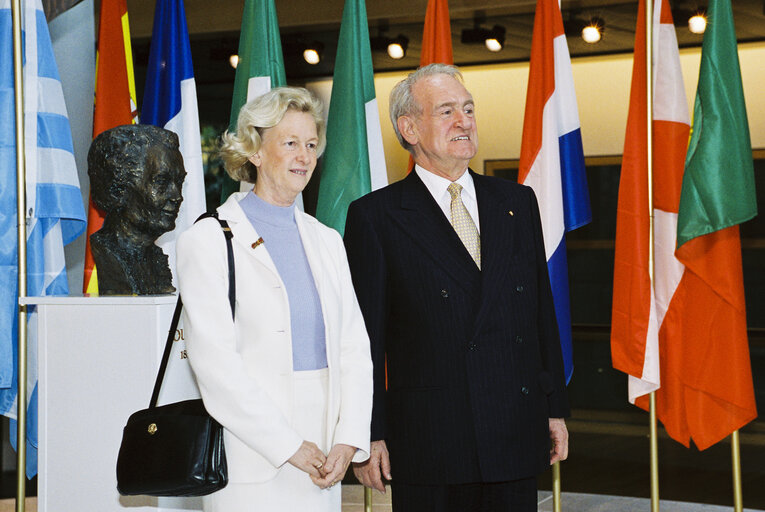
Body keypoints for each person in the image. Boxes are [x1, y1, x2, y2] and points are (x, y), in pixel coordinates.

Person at [344, 64, 570, 512]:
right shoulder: (377, 217)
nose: (464, 121)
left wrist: (554, 407)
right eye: (446, 111)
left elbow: (542, 312)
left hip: (514, 429)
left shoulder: (517, 202)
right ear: (408, 128)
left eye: (468, 109)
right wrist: (369, 433)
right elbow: (363, 340)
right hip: (431, 442)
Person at [176, 87, 373, 512]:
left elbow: (355, 347)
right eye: (289, 143)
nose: (304, 155)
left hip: (326, 455)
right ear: (255, 151)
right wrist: (287, 445)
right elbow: (215, 366)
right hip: (252, 456)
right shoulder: (208, 240)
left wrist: (349, 437)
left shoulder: (327, 240)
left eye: (311, 144)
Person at [88, 124, 185, 295]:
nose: (177, 196)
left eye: (179, 182)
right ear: (119, 189)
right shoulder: (108, 254)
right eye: (161, 182)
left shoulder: (155, 260)